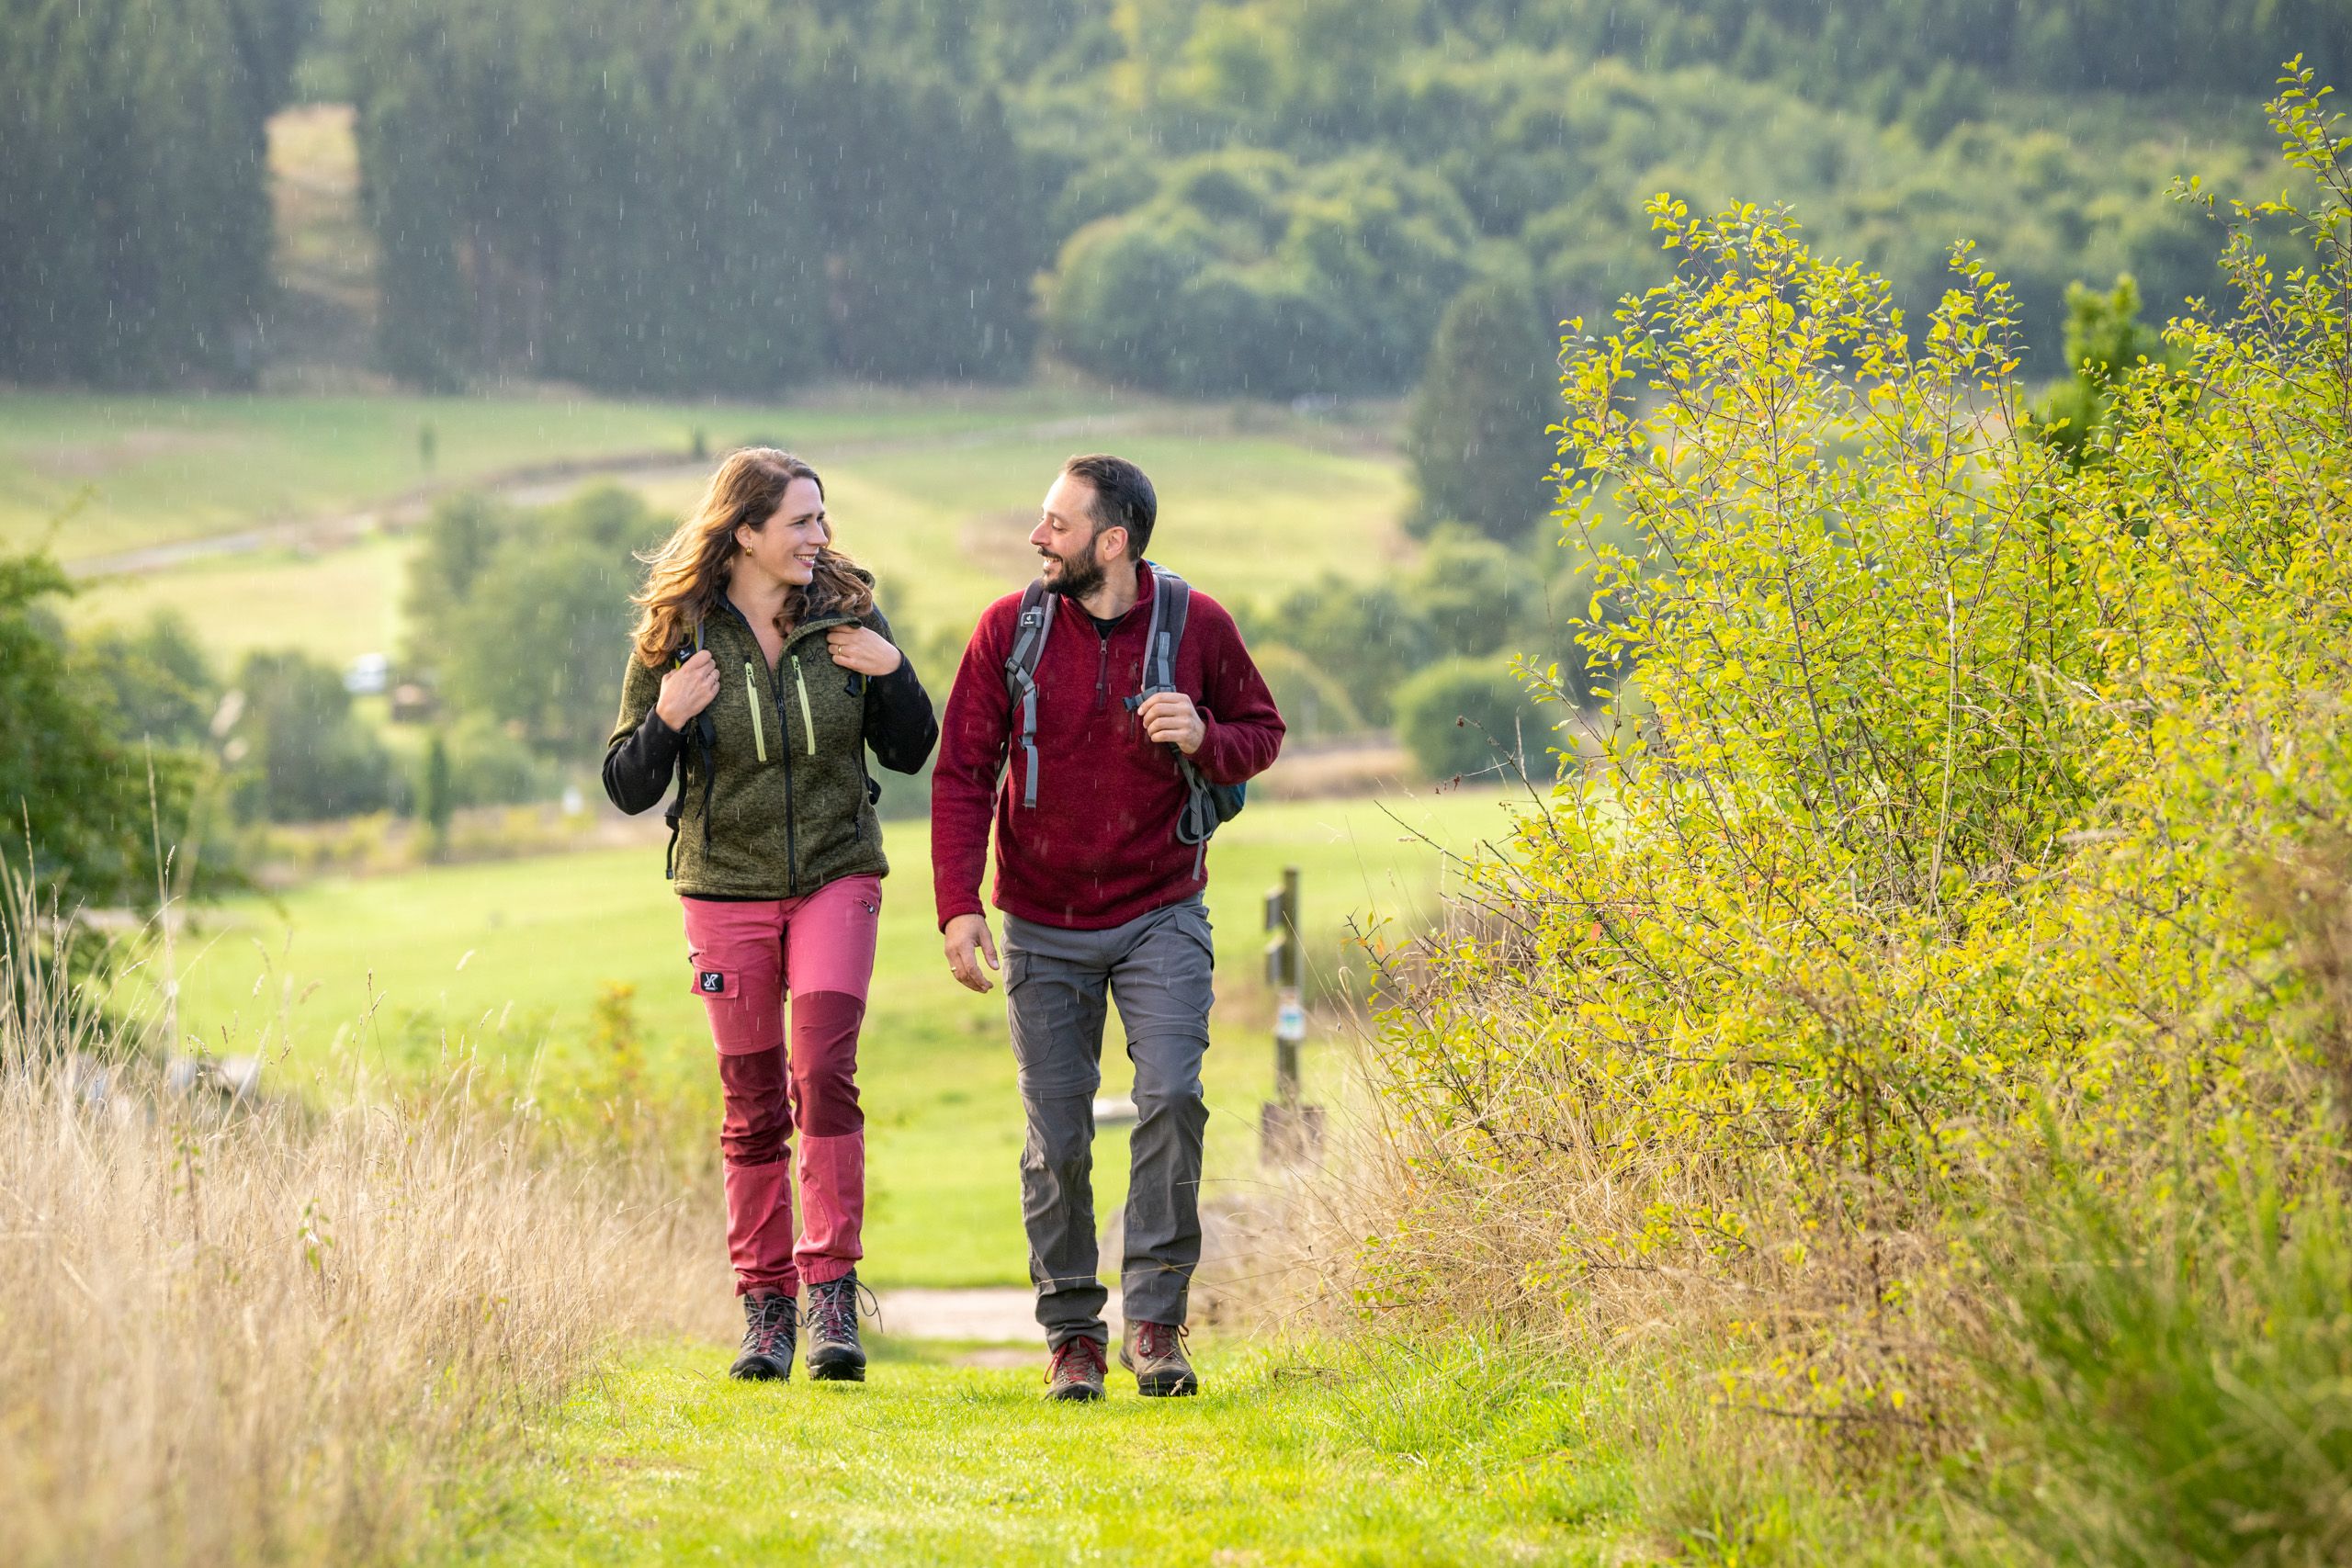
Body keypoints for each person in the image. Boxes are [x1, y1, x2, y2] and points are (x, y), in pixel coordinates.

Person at [932, 453, 1284, 1401]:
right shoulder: (1008, 629)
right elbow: (963, 772)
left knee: (1172, 1096)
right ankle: (1073, 1338)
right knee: (1058, 1137)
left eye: (1056, 521)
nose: (1037, 535)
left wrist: (1206, 737)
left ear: (1112, 541)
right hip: (1040, 920)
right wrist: (959, 906)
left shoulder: (1196, 625)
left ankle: (1157, 1327)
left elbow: (1263, 729)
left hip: (1162, 908)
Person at [604, 447, 937, 1383]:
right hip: (724, 889)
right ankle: (764, 1312)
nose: (820, 536)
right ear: (744, 532)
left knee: (823, 1073)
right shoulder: (676, 636)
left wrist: (894, 669)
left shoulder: (848, 615)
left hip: (837, 871)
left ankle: (832, 1295)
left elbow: (912, 748)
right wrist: (667, 719)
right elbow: (627, 786)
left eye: (822, 518)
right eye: (801, 521)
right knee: (752, 1109)